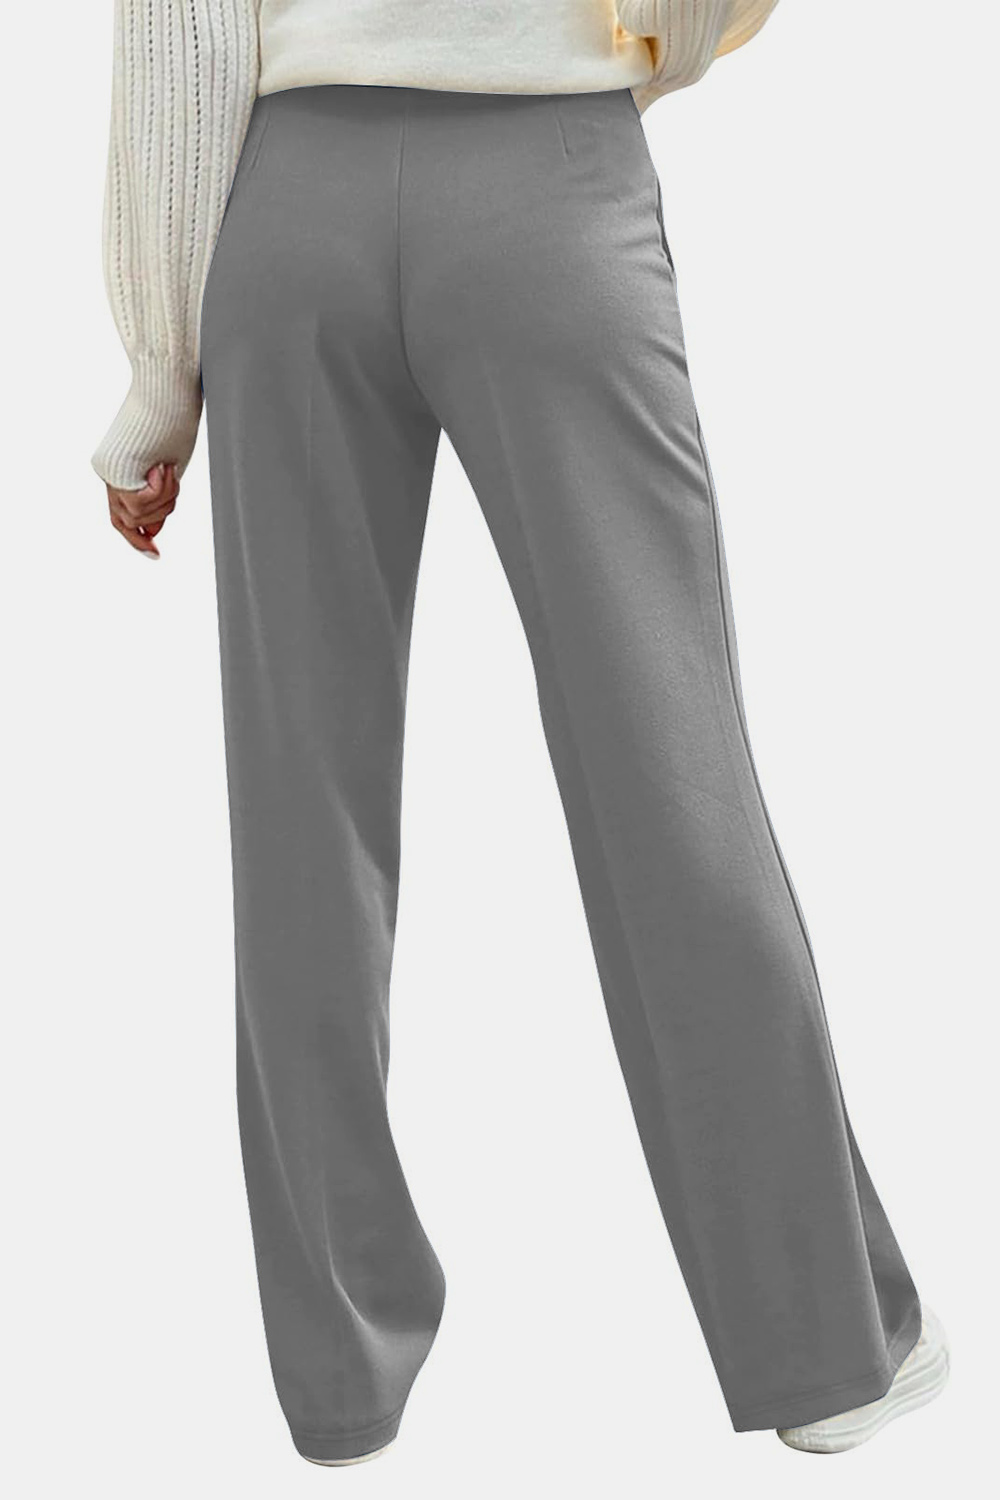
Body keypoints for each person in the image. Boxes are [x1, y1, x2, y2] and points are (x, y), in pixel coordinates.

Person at [93, 0, 948, 1465]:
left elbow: (181, 28)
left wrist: (157, 376)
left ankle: (340, 1383)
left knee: (302, 811)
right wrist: (630, 58)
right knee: (669, 771)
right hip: (547, 182)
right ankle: (821, 1352)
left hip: (286, 208)